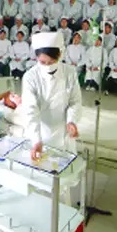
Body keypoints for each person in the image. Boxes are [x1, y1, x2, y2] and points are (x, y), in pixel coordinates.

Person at [21, 32, 82, 160]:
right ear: (36, 58)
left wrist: (72, 121)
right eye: (43, 62)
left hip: (64, 130)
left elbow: (75, 101)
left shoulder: (70, 73)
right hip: (40, 132)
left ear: (60, 55)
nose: (48, 66)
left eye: (52, 61)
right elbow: (30, 109)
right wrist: (36, 140)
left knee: (66, 166)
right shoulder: (30, 77)